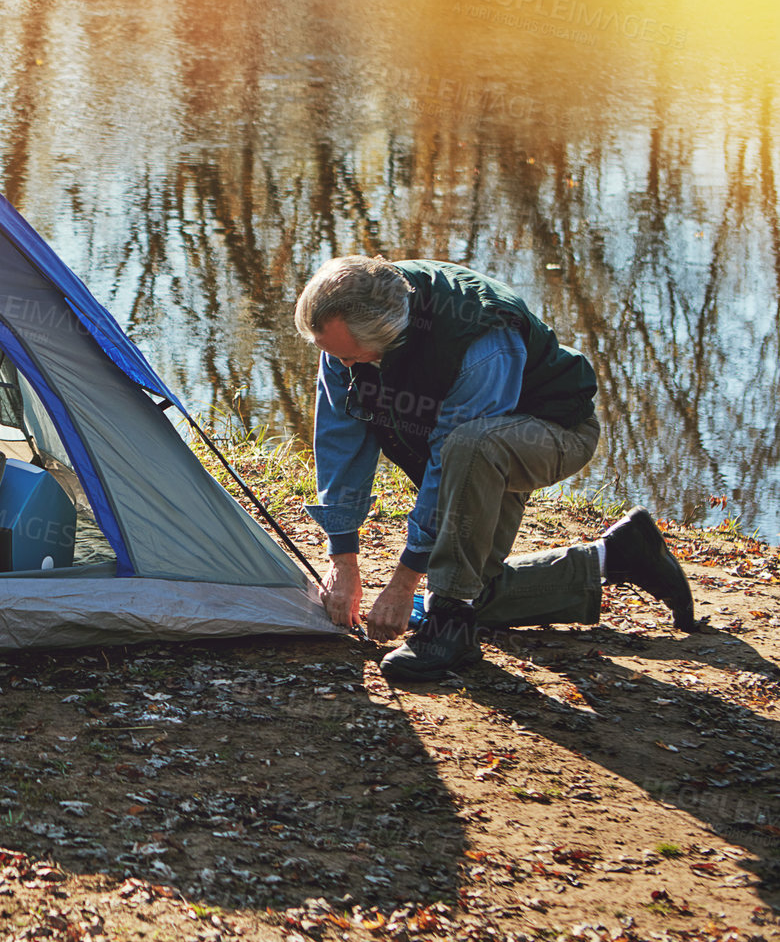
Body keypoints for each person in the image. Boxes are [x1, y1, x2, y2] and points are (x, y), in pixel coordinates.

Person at [294, 256, 694, 682]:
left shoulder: (479, 343)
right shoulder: (346, 324)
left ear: (390, 333)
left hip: (550, 432)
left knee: (468, 457)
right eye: (335, 356)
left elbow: (450, 460)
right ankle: (619, 556)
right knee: (473, 591)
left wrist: (405, 580)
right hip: (477, 451)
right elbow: (340, 438)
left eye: (353, 357)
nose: (344, 367)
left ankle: (449, 631)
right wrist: (343, 557)